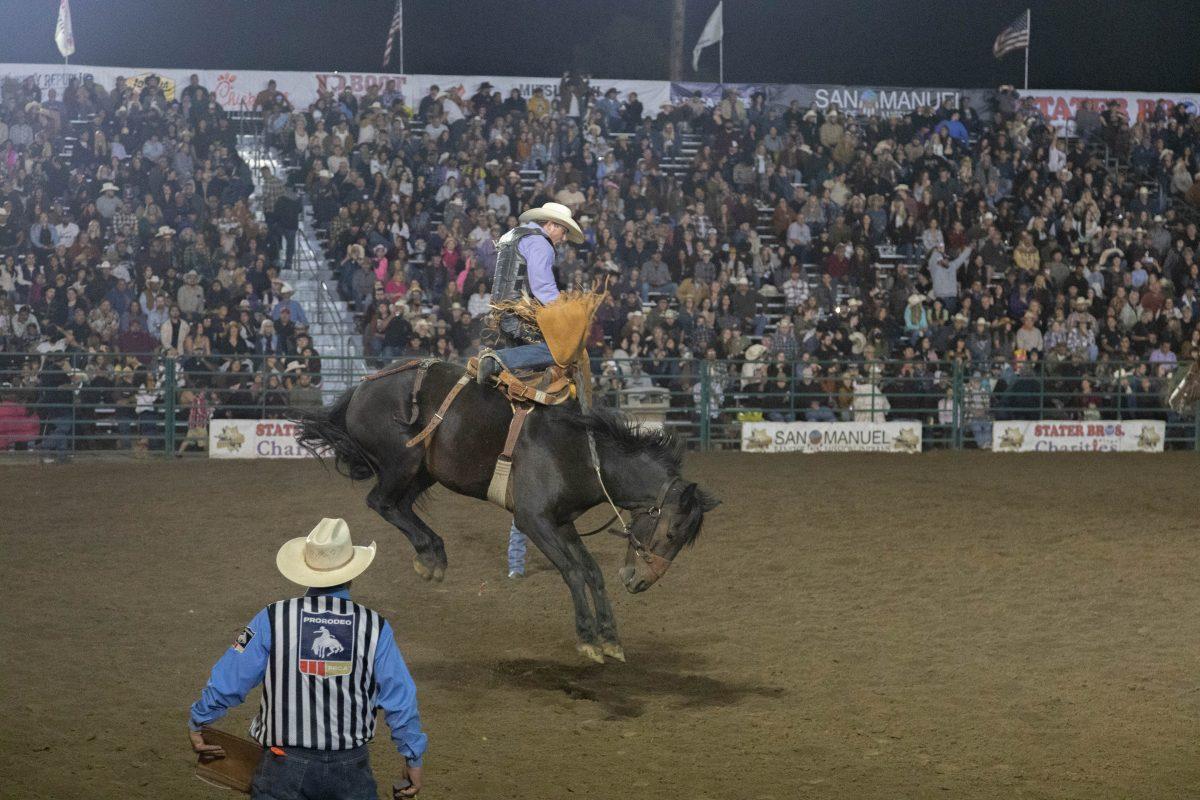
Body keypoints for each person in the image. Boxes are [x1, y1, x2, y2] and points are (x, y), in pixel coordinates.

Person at [188, 518, 427, 799]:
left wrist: (200, 719)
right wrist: (413, 757)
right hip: (350, 767)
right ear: (352, 573)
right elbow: (401, 697)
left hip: (282, 765)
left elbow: (230, 679)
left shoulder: (271, 618)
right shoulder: (375, 627)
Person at [476, 202, 584, 385]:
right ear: (551, 225)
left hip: (502, 311)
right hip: (519, 314)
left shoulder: (514, 235)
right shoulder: (541, 243)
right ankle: (496, 360)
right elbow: (542, 287)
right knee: (561, 351)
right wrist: (565, 313)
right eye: (564, 231)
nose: (564, 238)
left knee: (526, 370)